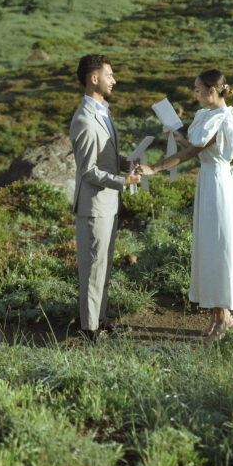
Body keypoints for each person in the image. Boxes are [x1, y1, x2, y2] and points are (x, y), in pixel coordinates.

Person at [149, 69, 233, 341]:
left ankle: (222, 316)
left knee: (219, 246)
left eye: (197, 89)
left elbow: (195, 151)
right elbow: (198, 146)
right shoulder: (205, 115)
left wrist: (156, 168)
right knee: (209, 246)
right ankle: (220, 316)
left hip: (218, 184)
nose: (194, 94)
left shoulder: (223, 116)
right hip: (207, 181)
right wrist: (178, 136)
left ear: (212, 90)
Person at [70, 53, 146, 341]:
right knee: (93, 267)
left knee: (103, 264)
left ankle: (99, 320)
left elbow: (107, 158)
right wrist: (121, 180)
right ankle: (88, 330)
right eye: (109, 75)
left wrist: (126, 163)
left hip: (108, 204)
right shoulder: (85, 120)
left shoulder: (103, 112)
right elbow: (88, 170)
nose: (114, 80)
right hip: (94, 206)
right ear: (94, 78)